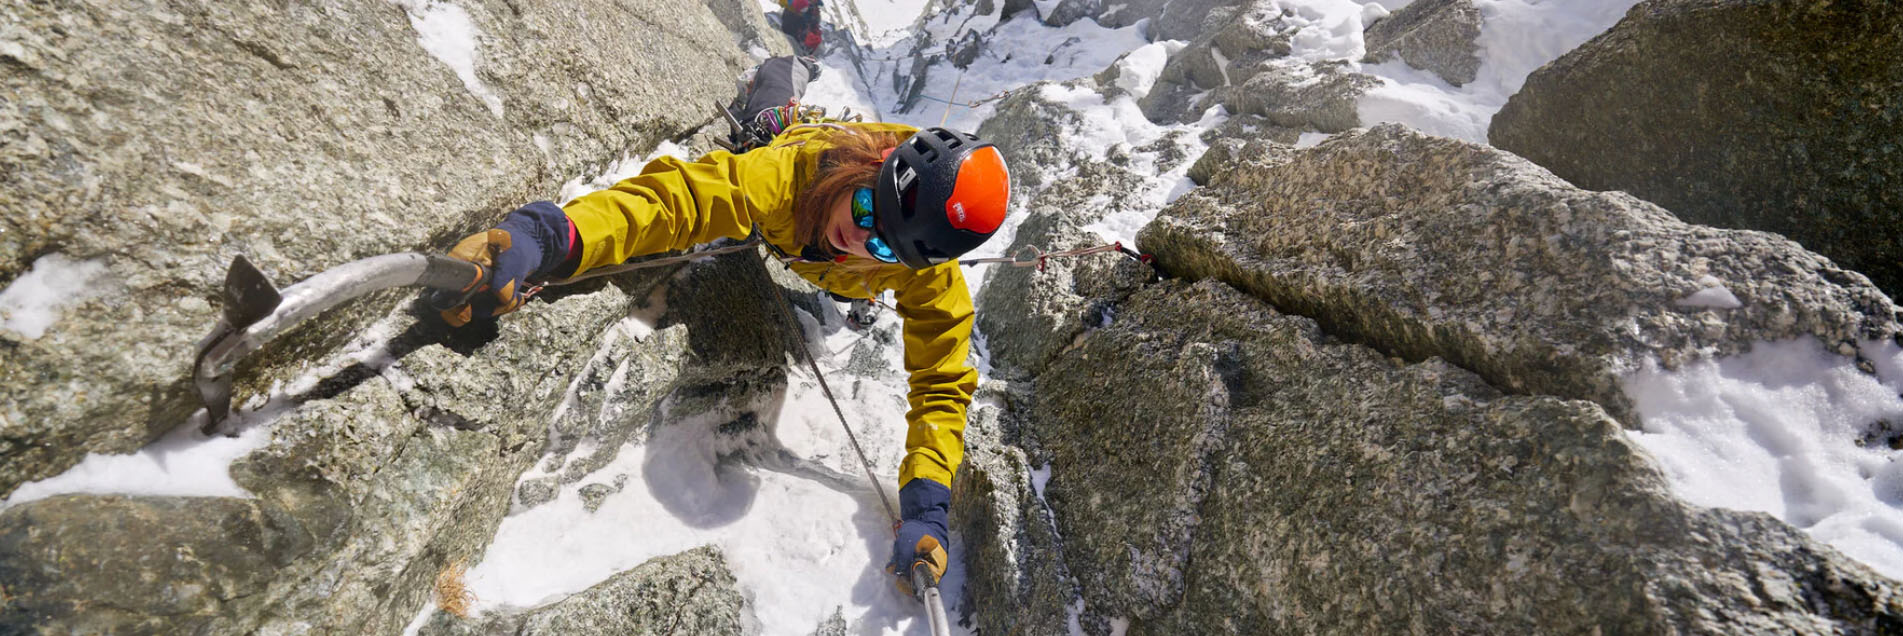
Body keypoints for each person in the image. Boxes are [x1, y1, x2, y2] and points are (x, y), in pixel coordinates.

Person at [439, 122, 1012, 597]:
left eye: (885, 247)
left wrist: (926, 504)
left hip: (831, 277)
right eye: (866, 205)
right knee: (766, 136)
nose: (860, 237)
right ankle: (772, 110)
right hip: (787, 187)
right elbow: (676, 203)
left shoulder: (927, 275)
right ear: (877, 164)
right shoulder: (788, 177)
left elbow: (942, 380)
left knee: (845, 272)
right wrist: (551, 236)